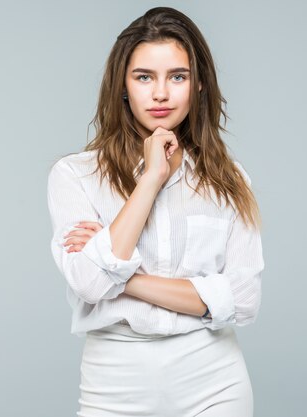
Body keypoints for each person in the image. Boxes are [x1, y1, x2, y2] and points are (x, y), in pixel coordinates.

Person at [46, 6, 264, 417]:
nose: (160, 93)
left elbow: (243, 299)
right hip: (114, 384)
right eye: (144, 76)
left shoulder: (230, 181)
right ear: (123, 86)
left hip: (215, 383)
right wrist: (150, 181)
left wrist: (122, 275)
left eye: (177, 77)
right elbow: (91, 285)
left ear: (198, 85)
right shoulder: (75, 176)